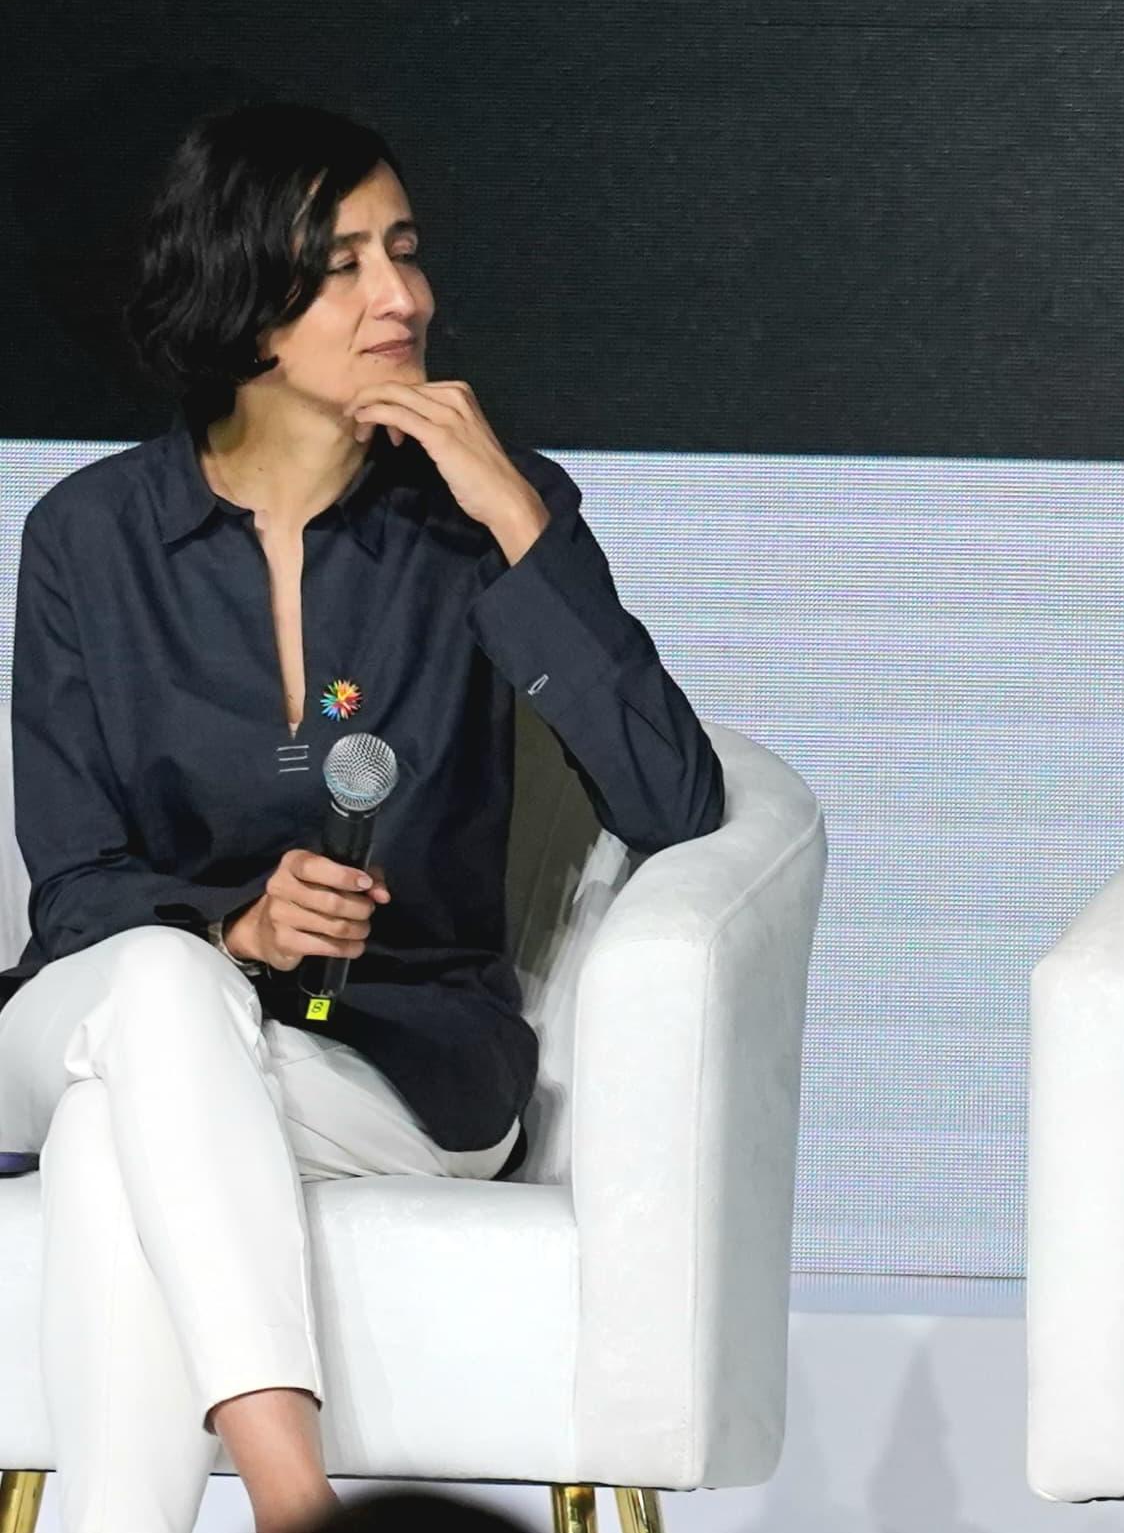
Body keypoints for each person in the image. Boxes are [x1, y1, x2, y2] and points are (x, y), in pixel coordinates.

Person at [3, 104, 727, 1533]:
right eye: (343, 264)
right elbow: (75, 884)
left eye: (405, 250)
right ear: (238, 292)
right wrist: (234, 927)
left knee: (108, 1149)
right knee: (157, 980)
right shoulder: (88, 538)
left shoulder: (475, 520)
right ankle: (297, 1504)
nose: (403, 296)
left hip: (394, 1058)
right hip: (99, 1000)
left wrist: (518, 515)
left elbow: (673, 796)